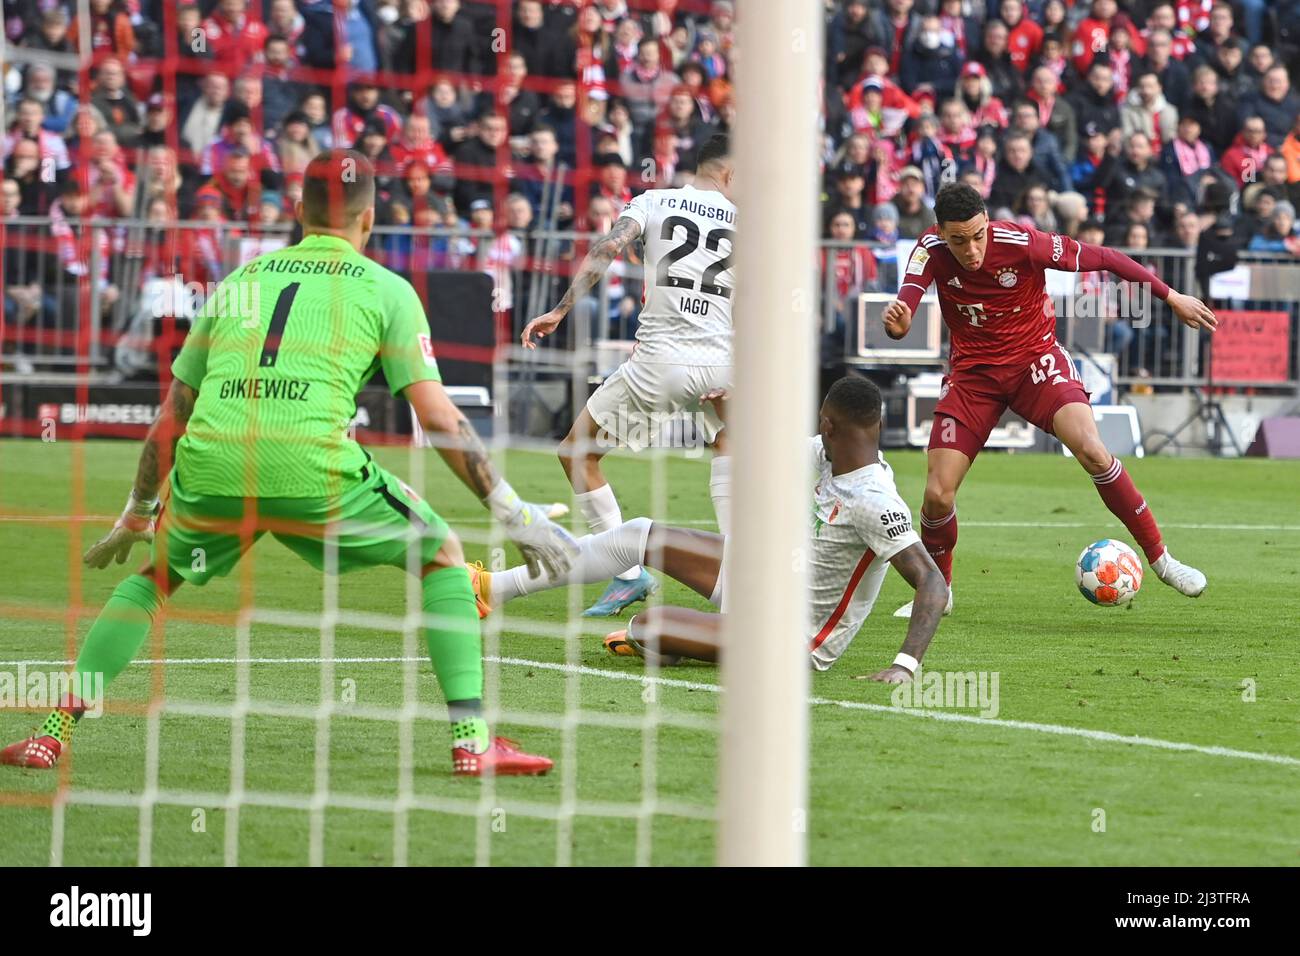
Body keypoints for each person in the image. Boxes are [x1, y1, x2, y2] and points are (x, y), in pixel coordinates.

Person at [1, 151, 576, 776]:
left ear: (299, 211)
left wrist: (140, 509)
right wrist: (513, 513)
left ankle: (51, 734)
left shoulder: (241, 282)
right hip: (312, 470)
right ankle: (471, 742)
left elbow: (175, 411)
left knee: (152, 581)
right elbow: (440, 419)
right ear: (372, 216)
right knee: (441, 555)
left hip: (213, 467)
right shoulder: (388, 289)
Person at [469, 377, 948, 682]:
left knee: (646, 626)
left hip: (787, 639)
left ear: (827, 422)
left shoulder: (874, 500)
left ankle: (672, 640)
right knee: (638, 533)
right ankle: (495, 588)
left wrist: (904, 666)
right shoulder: (830, 453)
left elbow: (932, 582)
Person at [883, 182, 1214, 618]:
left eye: (978, 235)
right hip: (973, 377)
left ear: (987, 222)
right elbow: (903, 310)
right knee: (938, 495)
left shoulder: (1022, 242)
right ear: (942, 233)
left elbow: (1107, 258)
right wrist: (899, 321)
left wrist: (1170, 296)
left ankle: (1162, 560)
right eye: (959, 240)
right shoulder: (928, 250)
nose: (972, 249)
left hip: (1035, 363)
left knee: (1094, 452)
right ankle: (939, 592)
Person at [520, 133, 735, 617]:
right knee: (731, 453)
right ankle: (743, 577)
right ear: (730, 173)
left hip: (660, 364)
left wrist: (560, 310)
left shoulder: (655, 199)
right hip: (725, 365)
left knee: (578, 451)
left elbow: (607, 247)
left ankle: (626, 572)